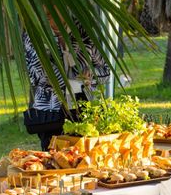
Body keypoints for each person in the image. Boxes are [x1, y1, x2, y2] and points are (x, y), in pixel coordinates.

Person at [23, 16, 110, 150]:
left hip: (85, 111)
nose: (52, 19)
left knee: (86, 159)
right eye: (46, 14)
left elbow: (105, 71)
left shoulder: (83, 30)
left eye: (55, 11)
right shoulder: (35, 34)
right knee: (55, 160)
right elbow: (34, 77)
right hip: (51, 114)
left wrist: (91, 75)